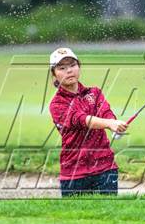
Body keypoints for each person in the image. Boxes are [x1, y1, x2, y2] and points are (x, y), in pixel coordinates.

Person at [48, 47, 128, 197]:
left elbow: (105, 112)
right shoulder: (57, 104)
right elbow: (82, 120)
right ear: (54, 75)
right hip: (74, 171)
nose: (69, 71)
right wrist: (109, 124)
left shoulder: (94, 93)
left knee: (109, 215)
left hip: (105, 166)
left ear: (79, 67)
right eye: (62, 68)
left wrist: (114, 124)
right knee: (76, 219)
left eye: (72, 65)